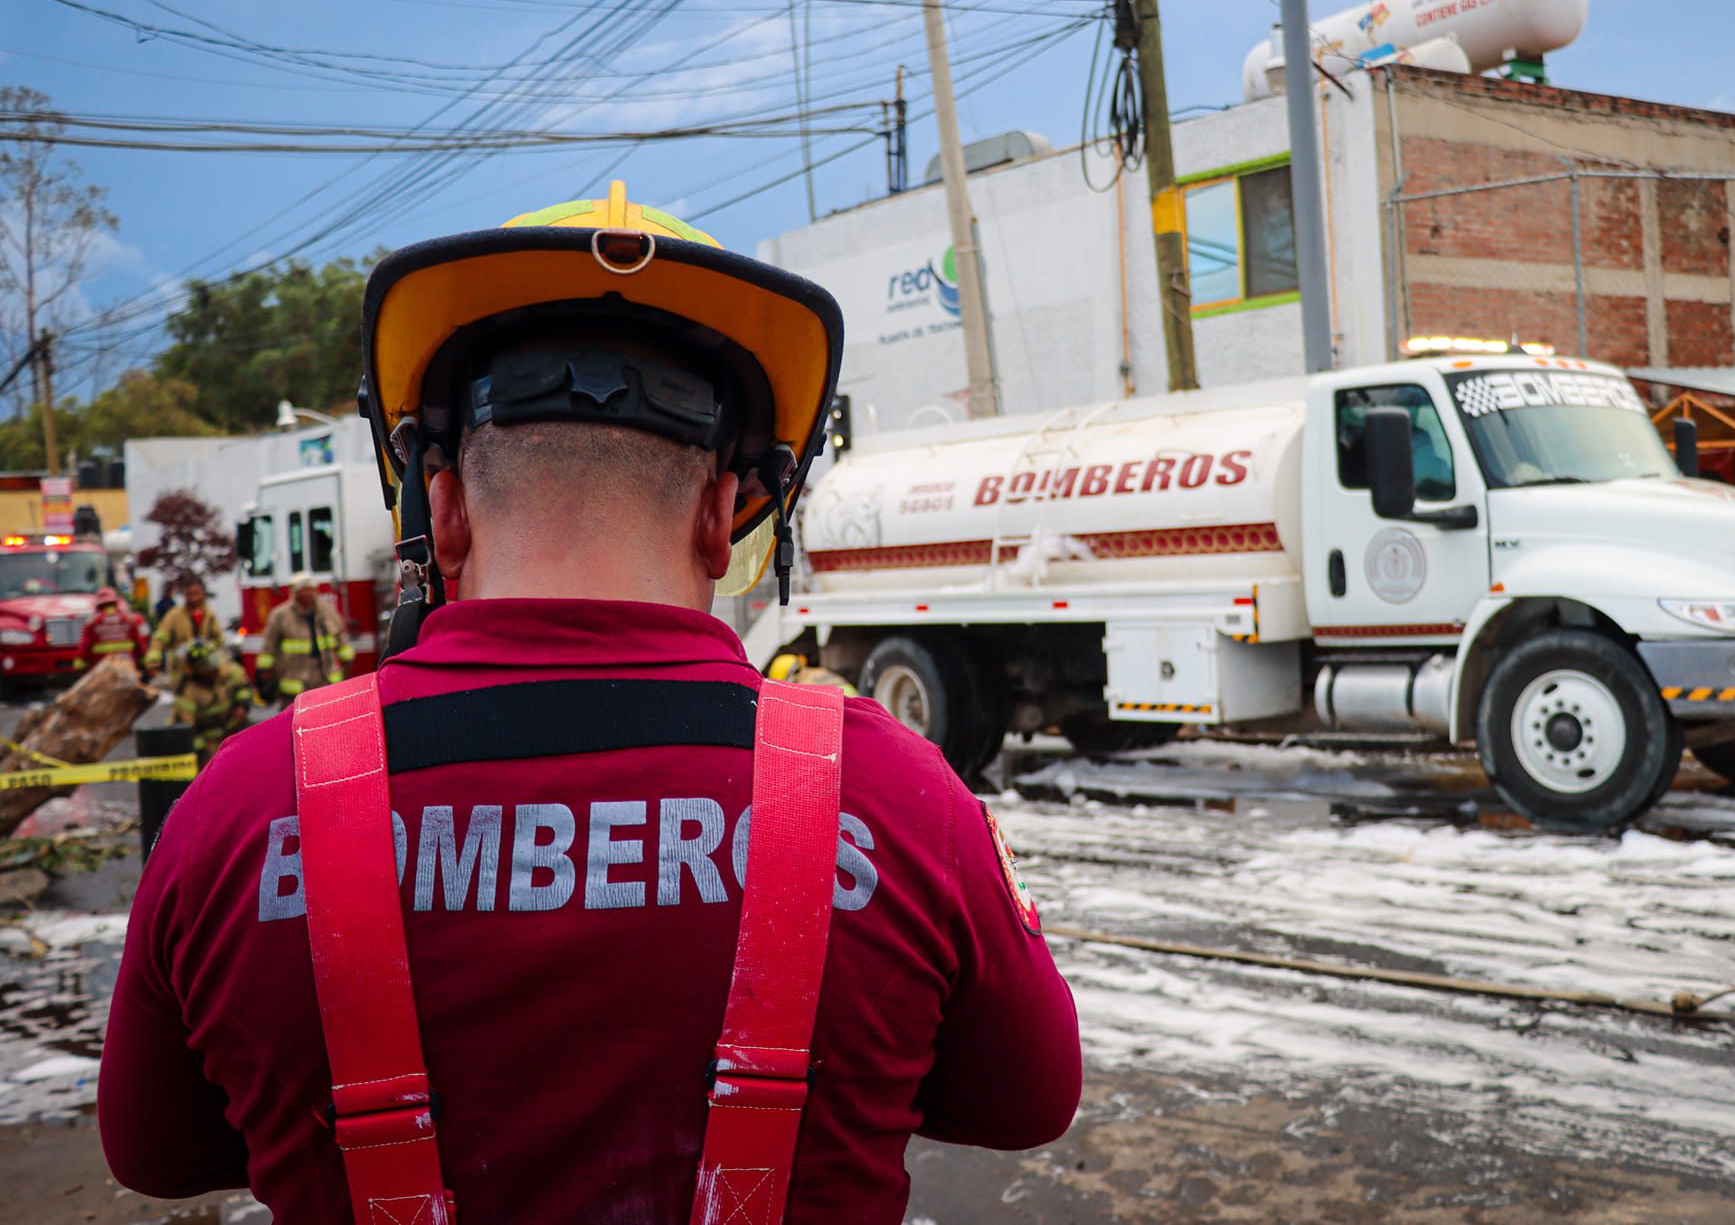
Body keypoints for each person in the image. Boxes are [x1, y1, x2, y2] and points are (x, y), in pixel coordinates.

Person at [100, 183, 1082, 1223]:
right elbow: (1025, 1103)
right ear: (720, 516)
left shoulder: (243, 806)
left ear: (444, 507)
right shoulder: (892, 795)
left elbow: (157, 1153)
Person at [254, 570, 348, 704]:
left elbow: (341, 641)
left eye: (311, 589)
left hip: (325, 681)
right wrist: (264, 671)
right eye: (304, 590)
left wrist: (347, 662)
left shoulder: (327, 613)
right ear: (295, 593)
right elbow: (269, 646)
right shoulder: (281, 616)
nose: (309, 594)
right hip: (294, 686)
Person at [170, 639, 252, 763]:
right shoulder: (187, 690)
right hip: (207, 738)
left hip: (232, 728)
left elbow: (243, 686)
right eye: (207, 666)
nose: (214, 669)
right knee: (219, 766)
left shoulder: (227, 669)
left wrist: (242, 706)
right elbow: (187, 728)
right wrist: (201, 752)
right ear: (195, 669)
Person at [145, 579, 224, 677]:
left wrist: (218, 662)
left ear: (202, 594)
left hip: (206, 671)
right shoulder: (174, 615)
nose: (193, 598)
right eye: (190, 594)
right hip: (181, 671)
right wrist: (153, 661)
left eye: (196, 593)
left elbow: (219, 640)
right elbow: (160, 637)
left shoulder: (210, 615)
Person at [85, 586, 143, 667]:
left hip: (101, 667)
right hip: (126, 665)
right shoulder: (129, 619)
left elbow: (85, 645)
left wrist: (82, 660)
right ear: (115, 602)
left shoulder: (92, 622)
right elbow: (138, 643)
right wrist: (142, 657)